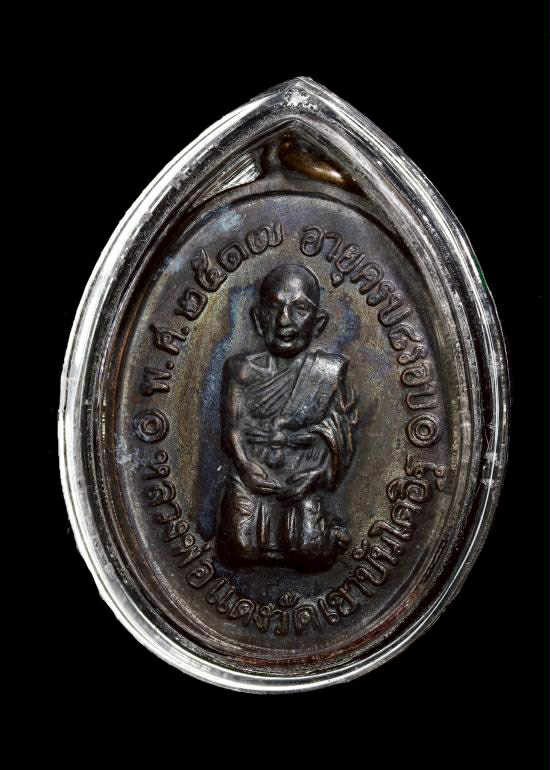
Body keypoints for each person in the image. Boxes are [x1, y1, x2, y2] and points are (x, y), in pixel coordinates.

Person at [217, 264, 358, 571]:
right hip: (251, 474)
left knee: (310, 553)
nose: (284, 320)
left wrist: (314, 476)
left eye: (300, 309)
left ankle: (329, 534)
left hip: (302, 477)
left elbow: (340, 439)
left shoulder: (328, 372)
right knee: (238, 549)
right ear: (258, 319)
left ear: (318, 323)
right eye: (273, 308)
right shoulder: (240, 370)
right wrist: (246, 466)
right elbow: (232, 430)